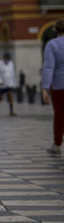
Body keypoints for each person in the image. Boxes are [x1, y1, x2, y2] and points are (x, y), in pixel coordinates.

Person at [41, 18, 64, 156]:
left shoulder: (52, 44)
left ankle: (56, 145)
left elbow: (48, 67)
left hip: (58, 86)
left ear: (56, 30)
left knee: (60, 115)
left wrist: (44, 87)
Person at [0, 52, 17, 116]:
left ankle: (11, 111)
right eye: (6, 59)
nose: (7, 60)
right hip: (1, 84)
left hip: (9, 83)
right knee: (0, 97)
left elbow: (12, 74)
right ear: (3, 58)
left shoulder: (11, 64)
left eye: (8, 59)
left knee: (10, 96)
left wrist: (14, 83)